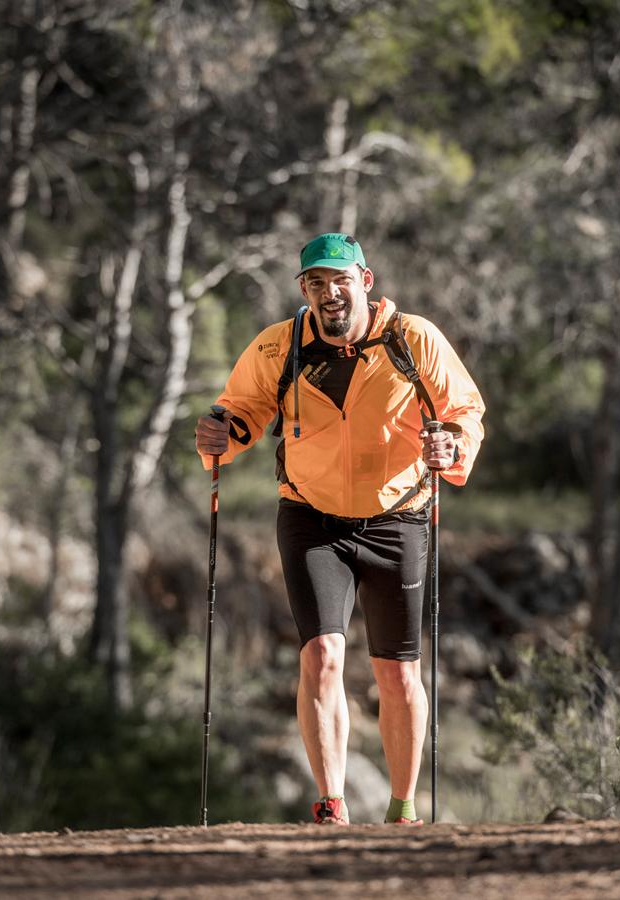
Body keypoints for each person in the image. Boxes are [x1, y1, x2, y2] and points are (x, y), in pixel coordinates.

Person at [195, 233, 486, 826]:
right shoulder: (282, 347)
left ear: (366, 281)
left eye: (339, 281)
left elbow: (465, 413)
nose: (329, 294)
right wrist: (222, 434)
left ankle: (402, 811)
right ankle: (332, 803)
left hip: (397, 517)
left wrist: (449, 444)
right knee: (322, 655)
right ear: (304, 290)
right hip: (311, 517)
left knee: (398, 673)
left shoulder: (413, 340)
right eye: (315, 284)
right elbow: (243, 409)